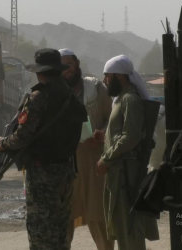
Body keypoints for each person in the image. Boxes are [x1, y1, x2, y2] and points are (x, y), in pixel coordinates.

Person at [0, 48, 87, 250]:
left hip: (43, 173)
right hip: (66, 172)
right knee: (60, 229)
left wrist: (4, 143)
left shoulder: (38, 98)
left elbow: (23, 136)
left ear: (40, 72)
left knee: (41, 232)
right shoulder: (71, 97)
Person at [96, 55, 159, 250]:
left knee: (129, 227)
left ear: (120, 76)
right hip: (119, 173)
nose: (105, 81)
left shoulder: (130, 99)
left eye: (108, 76)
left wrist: (106, 158)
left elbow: (130, 137)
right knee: (122, 226)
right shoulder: (121, 99)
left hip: (126, 175)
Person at [59, 49, 114, 250]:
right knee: (63, 216)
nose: (66, 70)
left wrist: (102, 132)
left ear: (77, 64)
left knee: (98, 214)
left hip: (94, 162)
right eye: (62, 67)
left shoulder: (97, 90)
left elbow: (113, 120)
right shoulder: (52, 93)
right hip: (64, 164)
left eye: (69, 65)